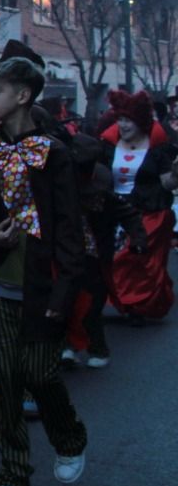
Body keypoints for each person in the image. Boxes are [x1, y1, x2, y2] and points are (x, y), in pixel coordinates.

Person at [0, 55, 89, 486]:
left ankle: (69, 436)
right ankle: (12, 474)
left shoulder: (54, 152)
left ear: (22, 95)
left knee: (40, 373)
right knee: (5, 378)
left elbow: (70, 230)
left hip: (43, 284)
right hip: (0, 283)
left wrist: (64, 291)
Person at [65, 132, 140, 369]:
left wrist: (138, 238)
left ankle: (96, 346)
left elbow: (127, 214)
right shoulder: (62, 191)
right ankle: (68, 346)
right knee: (64, 301)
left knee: (91, 304)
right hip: (66, 253)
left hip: (95, 257)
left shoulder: (105, 198)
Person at [102, 90, 178, 322]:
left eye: (129, 121)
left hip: (148, 213)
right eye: (121, 120)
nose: (123, 125)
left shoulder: (157, 149)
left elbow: (166, 183)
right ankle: (121, 299)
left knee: (136, 259)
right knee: (109, 260)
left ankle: (138, 304)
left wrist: (176, 173)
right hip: (114, 212)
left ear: (141, 122)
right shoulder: (108, 145)